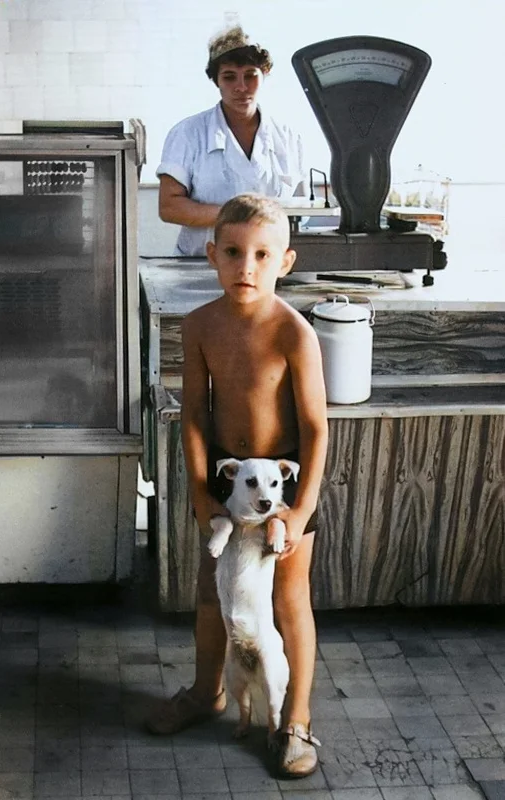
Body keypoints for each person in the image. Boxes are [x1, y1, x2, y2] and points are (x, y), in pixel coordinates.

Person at [147, 194, 328, 778]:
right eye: (232, 252)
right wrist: (201, 492)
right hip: (228, 481)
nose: (246, 267)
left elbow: (315, 429)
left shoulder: (294, 333)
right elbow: (195, 415)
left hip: (283, 482)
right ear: (212, 255)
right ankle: (208, 693)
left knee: (288, 599)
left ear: (286, 261)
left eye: (261, 255)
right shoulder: (199, 325)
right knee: (212, 592)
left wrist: (298, 511)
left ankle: (295, 718)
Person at [156, 25, 305, 256]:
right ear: (216, 80)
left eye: (250, 75)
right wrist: (240, 217)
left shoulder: (288, 138)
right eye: (229, 77)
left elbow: (300, 210)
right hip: (199, 265)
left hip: (267, 268)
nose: (241, 87)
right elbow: (169, 207)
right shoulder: (188, 133)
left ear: (264, 74)